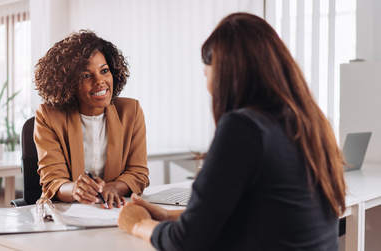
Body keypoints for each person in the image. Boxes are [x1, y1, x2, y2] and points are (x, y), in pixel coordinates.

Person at [117, 12, 346, 250]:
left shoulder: (244, 128)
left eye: (207, 74)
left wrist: (138, 224)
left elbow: (187, 242)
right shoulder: (315, 124)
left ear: (226, 73)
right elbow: (258, 214)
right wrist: (167, 216)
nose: (208, 88)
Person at [34, 30, 149, 209]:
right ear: (68, 83)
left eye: (104, 71)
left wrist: (113, 187)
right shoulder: (48, 116)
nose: (100, 81)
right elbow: (53, 181)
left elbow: (138, 173)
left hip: (112, 212)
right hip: (64, 214)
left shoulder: (130, 112)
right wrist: (75, 189)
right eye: (86, 75)